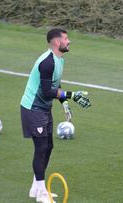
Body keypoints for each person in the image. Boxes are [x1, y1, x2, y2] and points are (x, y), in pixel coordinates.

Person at [20, 28, 91, 203]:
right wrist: (72, 95)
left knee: (49, 146)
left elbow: (55, 83)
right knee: (41, 148)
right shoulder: (47, 62)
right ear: (57, 42)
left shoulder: (59, 60)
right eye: (66, 39)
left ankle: (36, 187)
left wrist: (64, 102)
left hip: (43, 108)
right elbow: (46, 90)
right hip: (33, 108)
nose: (69, 41)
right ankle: (42, 192)